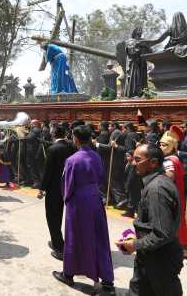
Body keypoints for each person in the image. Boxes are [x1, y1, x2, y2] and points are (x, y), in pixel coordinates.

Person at [52, 126, 115, 295]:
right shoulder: (96, 156)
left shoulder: (72, 160)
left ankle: (69, 274)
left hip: (78, 202)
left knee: (74, 238)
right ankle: (108, 282)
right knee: (100, 238)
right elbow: (101, 177)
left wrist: (66, 199)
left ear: (76, 139)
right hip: (95, 198)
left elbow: (67, 184)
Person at [116, 144, 183, 296]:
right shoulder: (154, 183)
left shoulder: (157, 189)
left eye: (138, 160)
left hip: (160, 260)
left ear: (153, 162)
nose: (133, 163)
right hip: (149, 255)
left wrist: (135, 244)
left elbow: (161, 233)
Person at [37, 124, 76, 259]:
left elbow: (48, 171)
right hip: (69, 186)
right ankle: (58, 241)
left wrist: (41, 188)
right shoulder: (71, 146)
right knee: (66, 216)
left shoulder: (53, 149)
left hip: (54, 188)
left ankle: (58, 246)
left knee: (53, 216)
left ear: (53, 134)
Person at [159, 128, 187, 260]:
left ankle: (180, 248)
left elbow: (169, 176)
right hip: (176, 194)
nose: (161, 146)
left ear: (172, 146)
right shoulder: (173, 158)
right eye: (160, 144)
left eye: (165, 145)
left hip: (170, 196)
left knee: (172, 220)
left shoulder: (169, 160)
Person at [96, 121, 127, 208]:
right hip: (118, 160)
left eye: (110, 126)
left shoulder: (115, 133)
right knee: (115, 179)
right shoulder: (118, 133)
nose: (108, 128)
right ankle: (119, 199)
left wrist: (97, 144)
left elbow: (110, 147)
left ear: (114, 126)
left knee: (112, 180)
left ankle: (121, 199)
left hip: (115, 160)